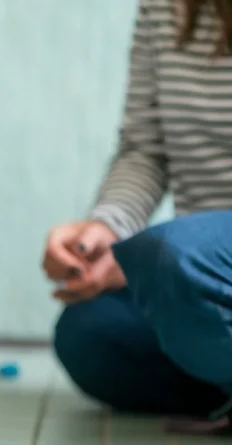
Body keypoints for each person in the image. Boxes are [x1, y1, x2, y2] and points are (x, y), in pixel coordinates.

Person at [43, 0, 232, 422]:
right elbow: (146, 149)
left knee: (174, 255)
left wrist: (179, 264)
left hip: (208, 261)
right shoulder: (163, 8)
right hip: (211, 272)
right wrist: (105, 230)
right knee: (87, 333)